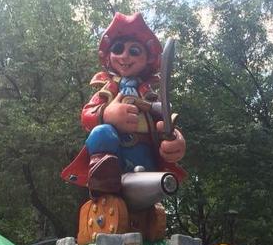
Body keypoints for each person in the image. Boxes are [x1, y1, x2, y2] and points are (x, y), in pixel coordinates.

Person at [61, 12, 187, 195]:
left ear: (148, 58)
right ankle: (103, 182)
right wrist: (106, 114)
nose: (124, 56)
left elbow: (165, 123)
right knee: (101, 132)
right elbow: (87, 115)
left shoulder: (150, 96)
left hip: (145, 156)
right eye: (118, 49)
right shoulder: (107, 90)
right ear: (108, 56)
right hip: (114, 154)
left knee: (146, 201)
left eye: (134, 51)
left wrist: (175, 141)